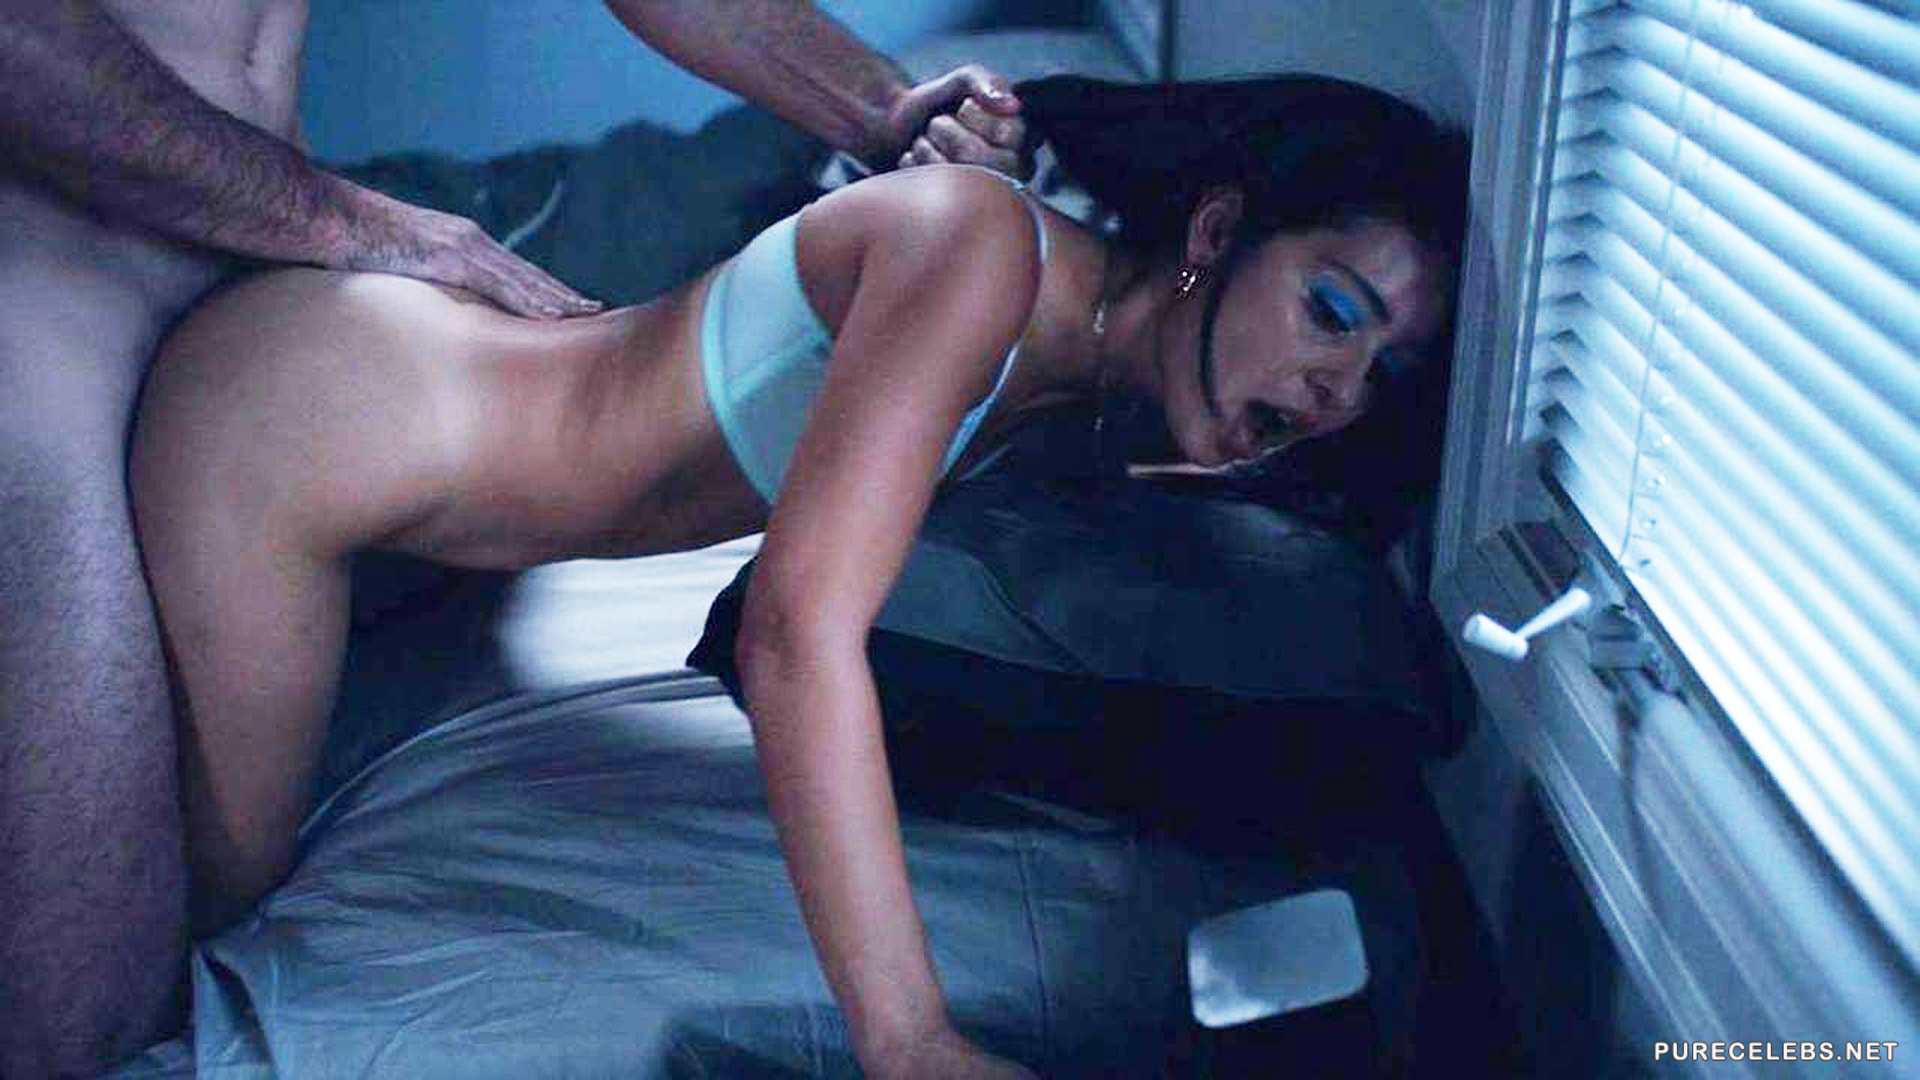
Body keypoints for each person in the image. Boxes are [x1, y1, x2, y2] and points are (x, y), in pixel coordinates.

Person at [130, 73, 1468, 1078]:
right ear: (1217, 229)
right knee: (185, 946)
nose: (1337, 388)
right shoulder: (982, 252)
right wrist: (910, 1040)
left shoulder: (1080, 391)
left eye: (1381, 376)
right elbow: (793, 636)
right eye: (1332, 311)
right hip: (298, 428)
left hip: (416, 486)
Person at [0, 1, 1026, 1074]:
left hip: (255, 250)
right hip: (55, 311)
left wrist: (881, 107)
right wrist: (348, 221)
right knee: (87, 1019)